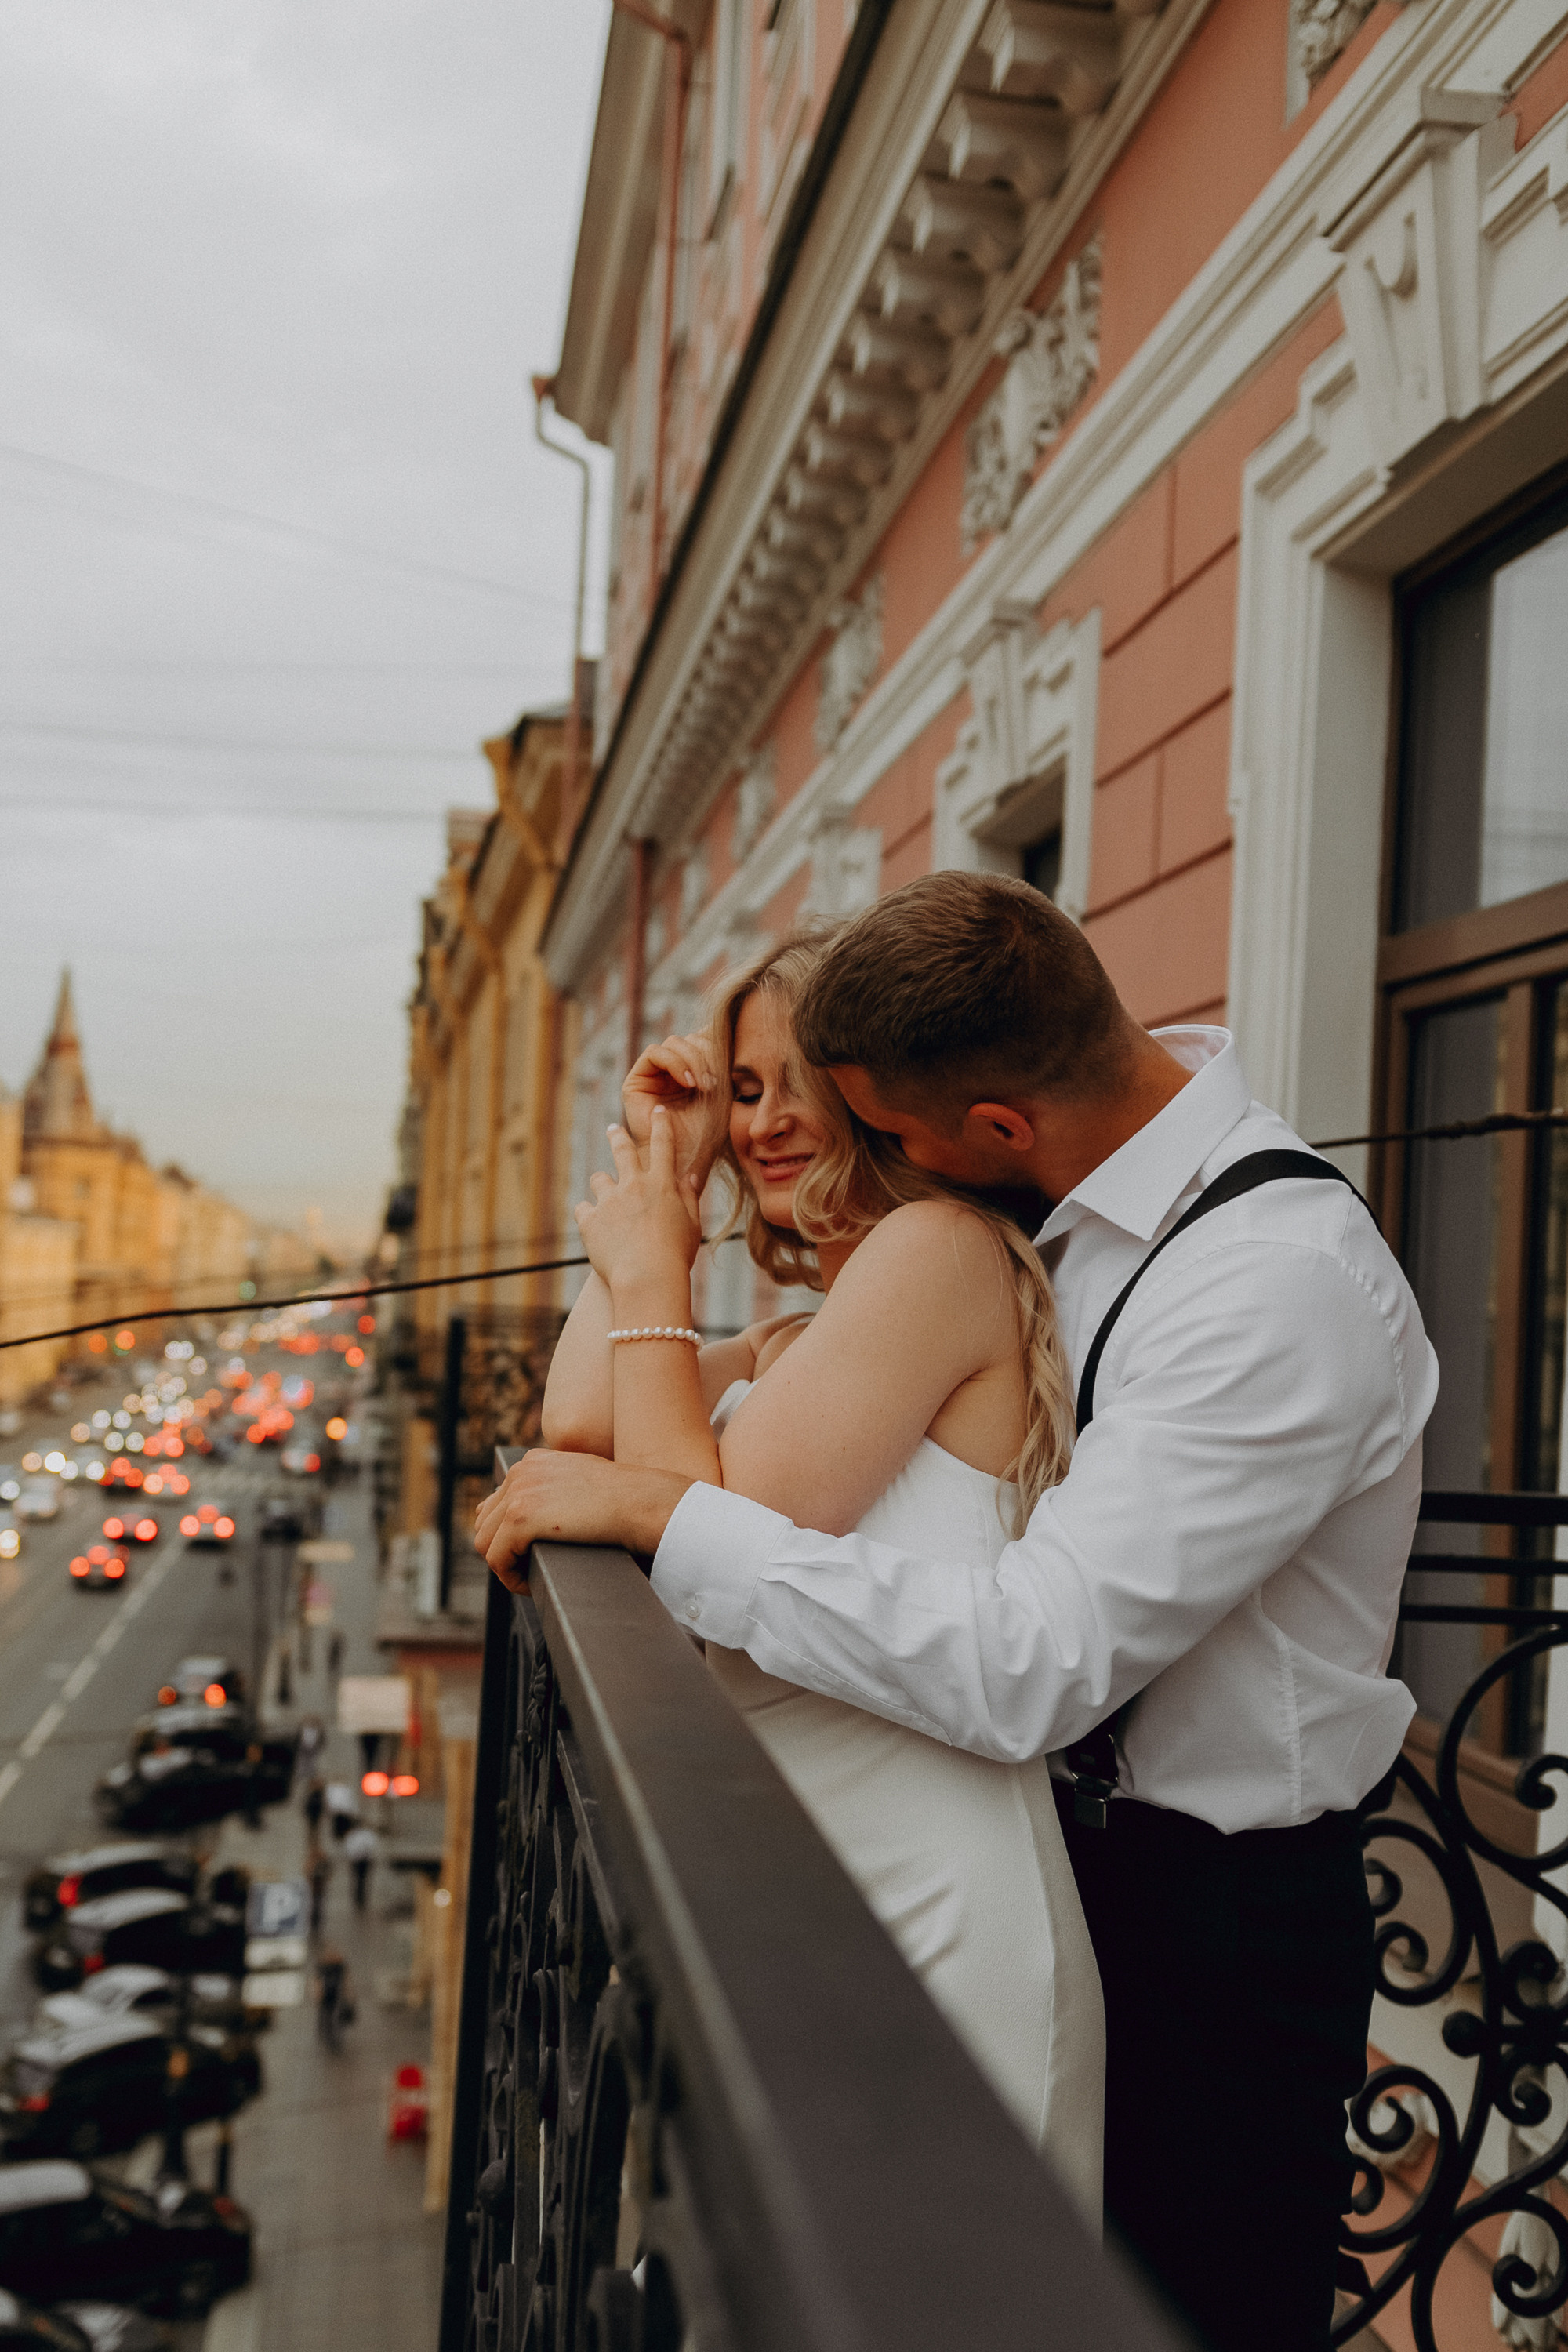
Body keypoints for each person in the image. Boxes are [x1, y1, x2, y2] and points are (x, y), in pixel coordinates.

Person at [476, 871, 1436, 2352]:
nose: (813, 1136)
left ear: (992, 1127)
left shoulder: (1272, 1279)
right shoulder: (1067, 1215)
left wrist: (671, 1508)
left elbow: (1032, 1660)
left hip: (1212, 1925)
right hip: (1055, 1852)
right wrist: (666, 1201)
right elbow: (600, 1421)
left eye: (865, 1114)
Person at [510, 932, 1104, 2221]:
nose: (766, 1119)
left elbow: (705, 1522)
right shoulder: (800, 1334)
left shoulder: (940, 1249)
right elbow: (581, 1418)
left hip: (940, 1897)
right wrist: (665, 1173)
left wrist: (654, 1267)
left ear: (876, 1089)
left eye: (799, 1082)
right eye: (743, 1089)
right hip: (807, 1873)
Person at [344, 1820, 378, 1912]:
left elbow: (371, 1845)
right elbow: (349, 1848)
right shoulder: (353, 1835)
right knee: (358, 1880)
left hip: (364, 1859)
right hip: (357, 1860)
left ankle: (362, 1898)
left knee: (363, 1880)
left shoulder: (365, 1835)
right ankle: (357, 1898)